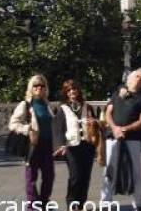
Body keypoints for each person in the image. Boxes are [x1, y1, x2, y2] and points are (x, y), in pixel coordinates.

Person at [100, 68, 141, 211]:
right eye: (137, 77)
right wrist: (115, 128)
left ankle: (138, 203)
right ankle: (105, 202)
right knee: (109, 170)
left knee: (136, 171)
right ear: (130, 78)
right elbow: (108, 113)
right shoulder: (118, 93)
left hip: (133, 139)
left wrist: (125, 129)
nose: (139, 80)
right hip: (112, 137)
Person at [9, 74, 55, 211]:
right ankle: (33, 206)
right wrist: (27, 129)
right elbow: (13, 124)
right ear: (31, 88)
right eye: (36, 86)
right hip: (33, 145)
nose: (39, 88)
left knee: (49, 176)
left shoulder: (47, 104)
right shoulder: (26, 104)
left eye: (42, 86)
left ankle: (44, 202)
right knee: (31, 178)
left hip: (47, 145)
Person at [53, 79, 97, 210]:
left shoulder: (87, 106)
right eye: (69, 90)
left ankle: (82, 204)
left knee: (85, 176)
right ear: (66, 93)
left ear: (78, 91)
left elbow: (95, 124)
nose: (72, 92)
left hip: (88, 146)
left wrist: (94, 123)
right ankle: (72, 204)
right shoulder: (63, 108)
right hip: (71, 147)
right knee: (75, 176)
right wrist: (60, 145)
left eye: (74, 89)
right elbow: (57, 129)